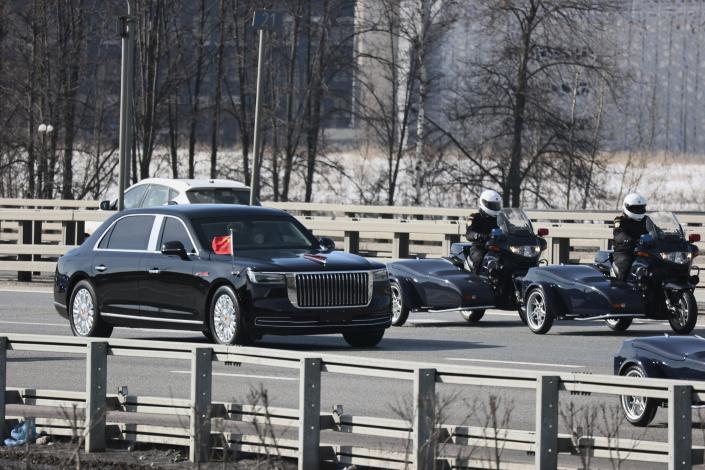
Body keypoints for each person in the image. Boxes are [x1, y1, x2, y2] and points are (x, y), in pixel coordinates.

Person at [612, 193, 648, 281]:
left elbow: (655, 230)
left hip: (645, 251)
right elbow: (619, 234)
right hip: (625, 251)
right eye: (635, 208)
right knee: (625, 264)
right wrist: (628, 239)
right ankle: (621, 288)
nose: (639, 211)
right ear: (627, 207)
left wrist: (665, 235)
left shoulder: (646, 220)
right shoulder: (620, 220)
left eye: (641, 208)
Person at [465, 189, 502, 273]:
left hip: (498, 246)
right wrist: (479, 235)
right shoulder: (475, 217)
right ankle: (476, 280)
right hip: (481, 246)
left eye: (496, 205)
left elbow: (509, 226)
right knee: (479, 258)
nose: (495, 207)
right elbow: (469, 233)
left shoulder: (500, 218)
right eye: (492, 205)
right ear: (483, 203)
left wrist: (519, 229)